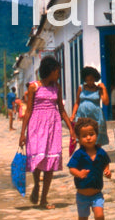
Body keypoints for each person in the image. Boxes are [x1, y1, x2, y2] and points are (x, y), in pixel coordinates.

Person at [18, 55, 75, 209]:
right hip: (36, 126)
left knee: (50, 163)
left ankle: (44, 199)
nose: (58, 74)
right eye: (57, 71)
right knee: (37, 158)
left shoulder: (57, 87)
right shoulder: (34, 86)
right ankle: (36, 185)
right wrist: (23, 133)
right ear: (50, 71)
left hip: (53, 126)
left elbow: (62, 110)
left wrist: (71, 129)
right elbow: (28, 111)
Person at [67, 117, 112, 220]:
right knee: (83, 219)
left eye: (91, 134)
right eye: (84, 136)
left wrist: (107, 171)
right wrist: (79, 173)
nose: (88, 138)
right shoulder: (79, 154)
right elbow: (71, 168)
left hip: (97, 194)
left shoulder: (101, 152)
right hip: (82, 195)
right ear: (79, 138)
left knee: (99, 216)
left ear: (97, 135)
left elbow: (106, 162)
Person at [71, 66, 108, 146]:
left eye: (91, 80)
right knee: (83, 139)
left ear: (95, 79)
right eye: (87, 80)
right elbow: (77, 102)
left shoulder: (99, 89)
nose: (89, 82)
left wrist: (104, 89)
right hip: (82, 116)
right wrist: (73, 115)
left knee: (96, 140)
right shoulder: (81, 88)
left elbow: (105, 102)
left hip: (96, 117)